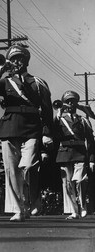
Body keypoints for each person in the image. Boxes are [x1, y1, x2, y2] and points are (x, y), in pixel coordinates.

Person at [0, 44, 53, 222]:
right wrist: (0, 71)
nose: (17, 62)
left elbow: (46, 110)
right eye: (13, 59)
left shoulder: (38, 82)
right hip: (10, 127)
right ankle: (19, 209)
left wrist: (47, 132)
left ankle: (31, 200)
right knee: (12, 170)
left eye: (20, 58)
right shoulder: (6, 81)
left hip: (32, 128)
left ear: (26, 61)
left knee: (28, 167)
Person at [53, 90, 95, 219]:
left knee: (81, 180)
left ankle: (83, 206)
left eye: (73, 101)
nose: (70, 104)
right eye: (68, 101)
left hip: (80, 153)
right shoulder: (59, 119)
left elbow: (91, 141)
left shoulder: (83, 120)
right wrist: (58, 112)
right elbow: (52, 129)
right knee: (68, 184)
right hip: (65, 153)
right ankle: (74, 210)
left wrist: (92, 159)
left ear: (77, 104)